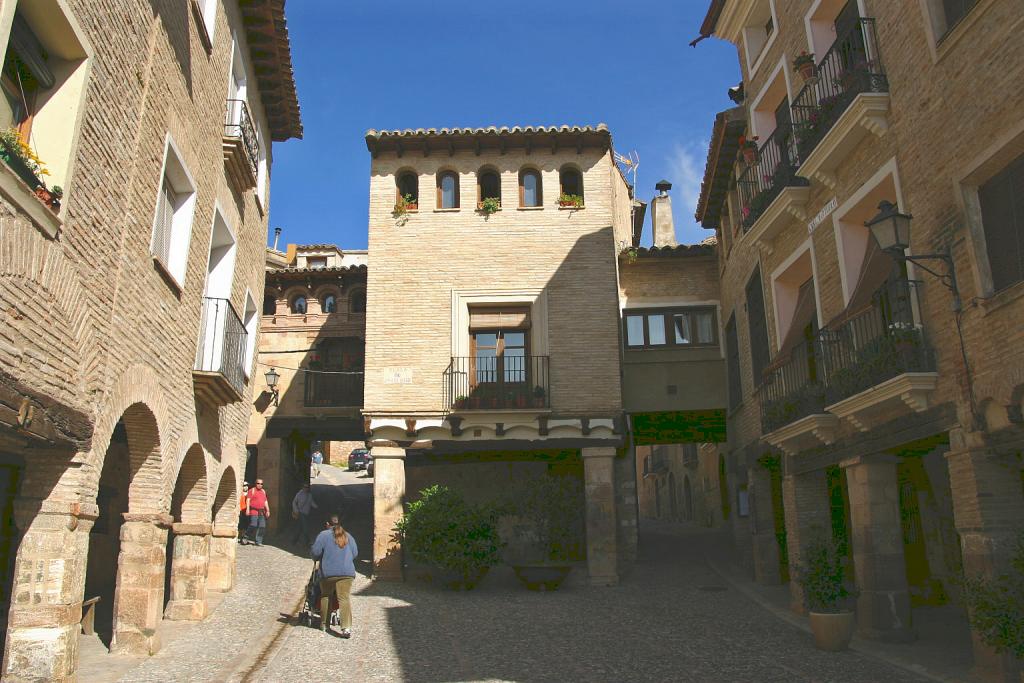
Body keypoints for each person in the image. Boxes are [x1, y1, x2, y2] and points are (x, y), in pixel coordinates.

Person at [311, 515, 358, 638]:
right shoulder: (348, 536)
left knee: (326, 595)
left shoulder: (323, 535)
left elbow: (315, 552)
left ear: (327, 524)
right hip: (347, 573)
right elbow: (355, 553)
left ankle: (324, 624)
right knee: (344, 598)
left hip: (328, 573)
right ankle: (346, 628)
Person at [245, 479, 270, 546]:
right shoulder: (252, 490)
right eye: (258, 483)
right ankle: (246, 536)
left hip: (262, 511)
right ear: (255, 483)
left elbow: (265, 501)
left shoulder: (263, 491)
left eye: (261, 484)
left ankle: (258, 541)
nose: (260, 485)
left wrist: (268, 510)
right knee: (253, 524)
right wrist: (247, 509)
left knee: (262, 526)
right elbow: (248, 500)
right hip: (254, 510)